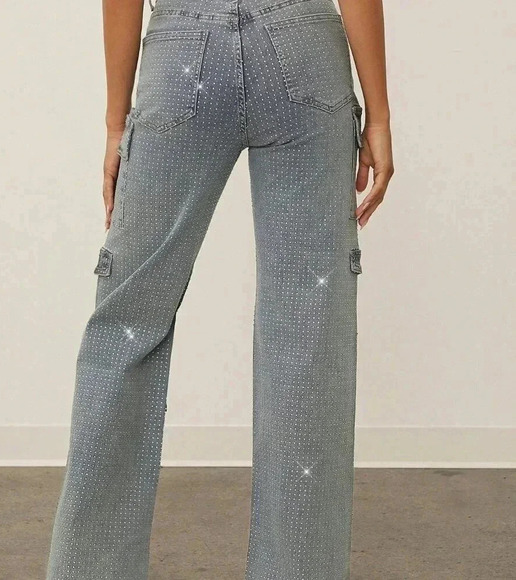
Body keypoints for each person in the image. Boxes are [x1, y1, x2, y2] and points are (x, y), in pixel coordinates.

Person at [46, 0, 394, 576]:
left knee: (127, 322)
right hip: (304, 50)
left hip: (183, 53)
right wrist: (378, 115)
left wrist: (115, 123)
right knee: (307, 335)